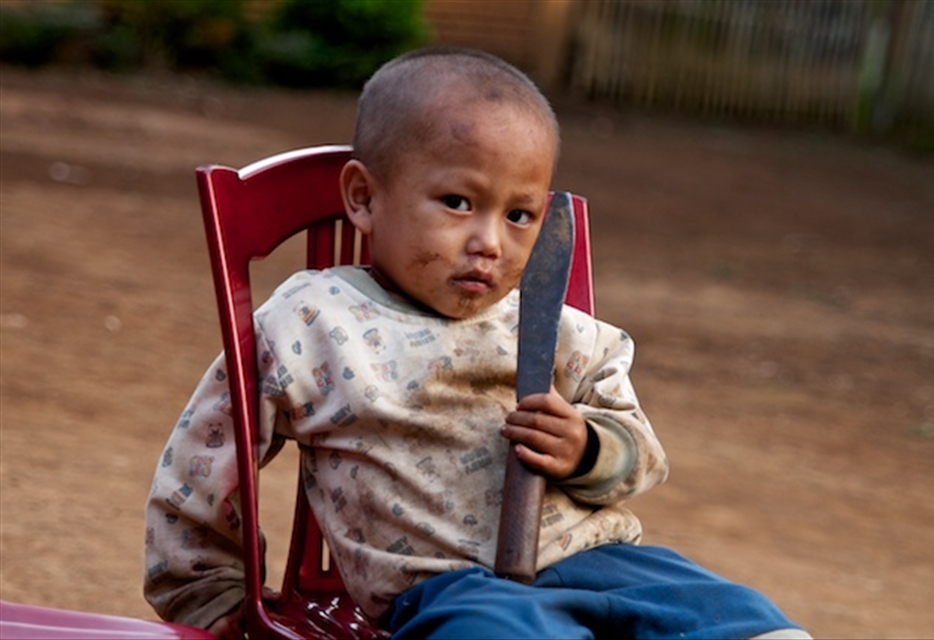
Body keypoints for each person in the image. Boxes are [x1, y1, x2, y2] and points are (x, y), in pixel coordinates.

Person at [144, 47, 810, 640]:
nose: (490, 243)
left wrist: (587, 446)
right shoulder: (310, 324)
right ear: (363, 197)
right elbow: (204, 466)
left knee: (736, 614)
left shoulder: (557, 331)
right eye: (458, 202)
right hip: (446, 586)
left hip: (601, 560)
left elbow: (642, 453)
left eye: (518, 215)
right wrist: (210, 594)